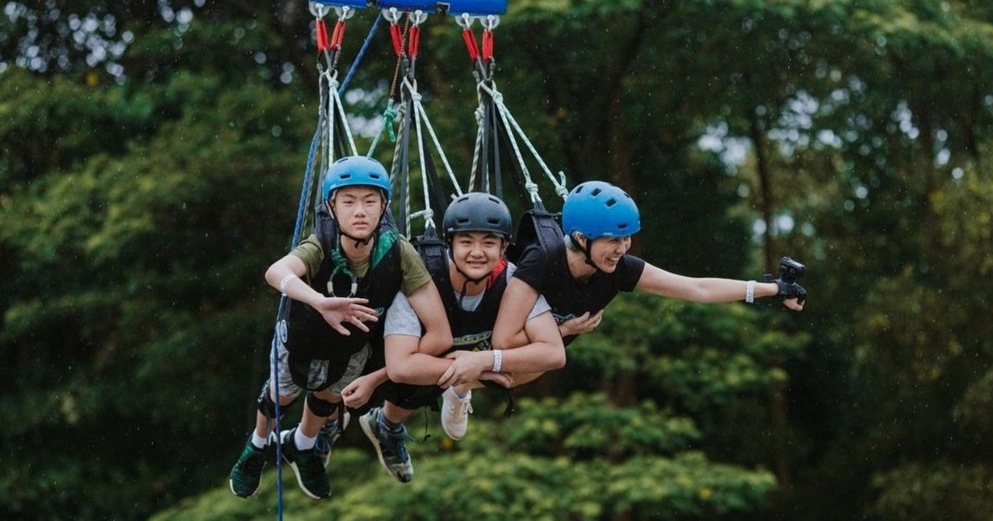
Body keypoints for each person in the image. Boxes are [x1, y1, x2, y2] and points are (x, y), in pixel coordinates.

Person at [228, 155, 451, 500]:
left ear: (384, 207)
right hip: (302, 336)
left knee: (329, 396)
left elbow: (439, 331)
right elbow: (276, 272)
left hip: (352, 347)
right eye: (348, 202)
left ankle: (304, 445)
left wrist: (385, 374)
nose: (360, 211)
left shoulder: (398, 252)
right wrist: (320, 302)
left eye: (370, 201)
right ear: (332, 207)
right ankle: (257, 445)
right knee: (283, 394)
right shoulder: (321, 244)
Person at [488, 180, 808, 376]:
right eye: (613, 240)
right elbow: (503, 342)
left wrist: (773, 289)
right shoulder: (542, 260)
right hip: (492, 336)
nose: (622, 249)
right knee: (529, 366)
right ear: (582, 238)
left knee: (535, 369)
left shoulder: (619, 269)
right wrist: (563, 331)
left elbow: (696, 288)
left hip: (531, 361)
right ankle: (464, 390)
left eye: (626, 239)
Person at [359, 192, 565, 483]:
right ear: (449, 243)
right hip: (406, 356)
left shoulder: (513, 279)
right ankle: (362, 427)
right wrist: (470, 368)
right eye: (466, 242)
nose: (477, 252)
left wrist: (484, 361)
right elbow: (401, 367)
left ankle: (461, 386)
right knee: (408, 376)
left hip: (472, 353)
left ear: (504, 247)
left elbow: (554, 354)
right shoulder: (420, 276)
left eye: (489, 243)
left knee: (531, 362)